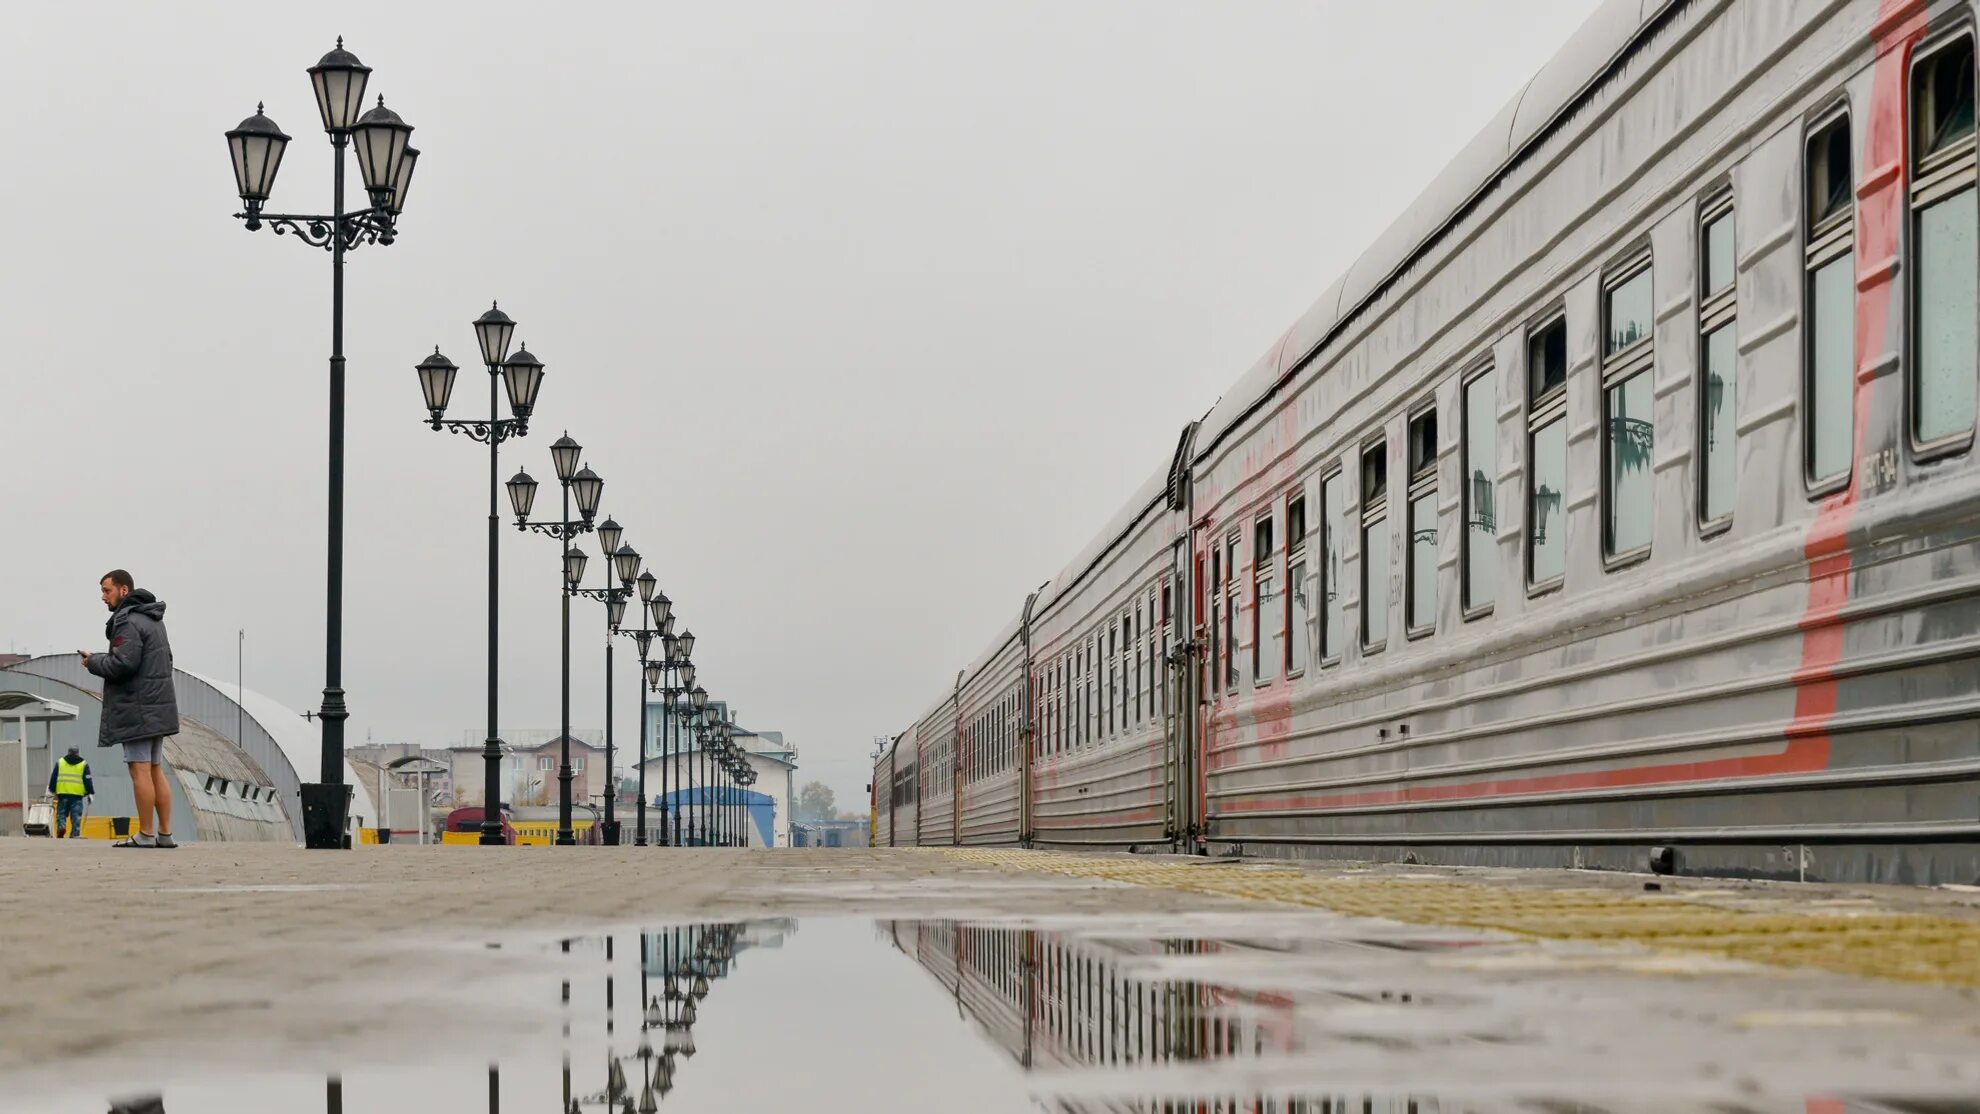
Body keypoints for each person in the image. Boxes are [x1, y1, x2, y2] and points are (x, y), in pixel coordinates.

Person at [79, 569, 179, 849]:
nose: (103, 597)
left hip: (137, 708)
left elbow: (123, 663)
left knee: (140, 771)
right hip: (157, 706)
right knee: (156, 770)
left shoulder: (128, 621)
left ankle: (146, 834)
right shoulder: (153, 619)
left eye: (106, 590)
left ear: (124, 590)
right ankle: (165, 834)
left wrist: (93, 662)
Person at [46, 744, 94, 838]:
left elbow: (54, 777)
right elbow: (87, 779)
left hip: (63, 793)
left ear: (68, 752)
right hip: (77, 795)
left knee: (61, 813)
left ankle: (61, 827)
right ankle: (75, 833)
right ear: (78, 753)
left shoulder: (60, 762)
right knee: (76, 815)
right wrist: (90, 792)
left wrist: (51, 789)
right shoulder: (83, 764)